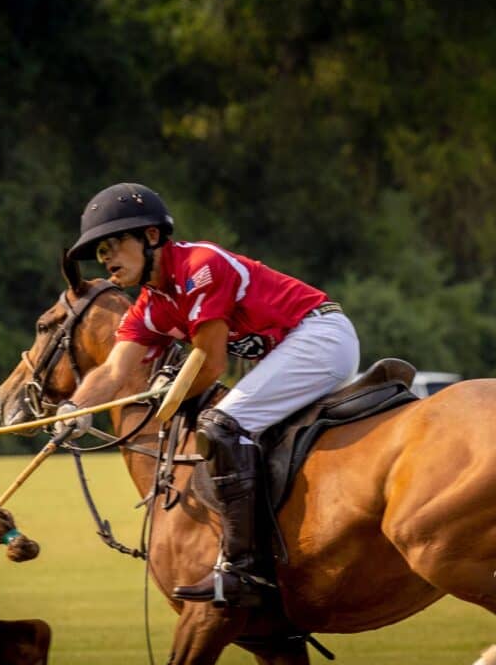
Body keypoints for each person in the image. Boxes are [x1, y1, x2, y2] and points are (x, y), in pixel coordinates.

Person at [53, 182, 359, 608]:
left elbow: (210, 362)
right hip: (294, 351)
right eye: (100, 253)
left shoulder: (202, 266)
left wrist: (169, 396)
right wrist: (75, 407)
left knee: (219, 425)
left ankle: (242, 570)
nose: (106, 259)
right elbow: (115, 370)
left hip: (319, 337)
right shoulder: (151, 306)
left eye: (113, 244)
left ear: (152, 237)